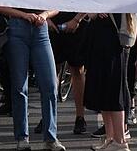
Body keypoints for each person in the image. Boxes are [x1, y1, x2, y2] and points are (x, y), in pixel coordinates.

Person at [0, 6, 65, 150]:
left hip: (41, 30)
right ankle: (22, 138)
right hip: (17, 29)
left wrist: (45, 15)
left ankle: (51, 138)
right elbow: (0, 6)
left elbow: (56, 4)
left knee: (50, 85)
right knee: (20, 87)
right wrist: (23, 15)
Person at [84, 13, 132, 151]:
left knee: (114, 90)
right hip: (99, 36)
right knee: (103, 89)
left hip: (113, 38)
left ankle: (121, 140)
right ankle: (111, 138)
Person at [48, 11, 89, 134]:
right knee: (51, 70)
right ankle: (48, 116)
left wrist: (77, 19)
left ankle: (80, 117)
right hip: (53, 21)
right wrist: (46, 17)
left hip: (77, 24)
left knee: (77, 69)